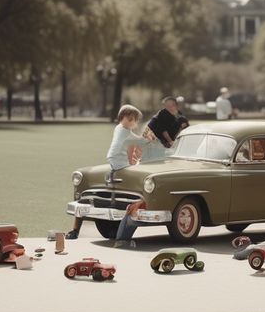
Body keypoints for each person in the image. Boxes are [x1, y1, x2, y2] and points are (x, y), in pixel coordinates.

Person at [66, 105, 144, 240]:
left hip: (112, 159)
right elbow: (131, 156)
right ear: (122, 118)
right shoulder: (128, 135)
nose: (132, 121)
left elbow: (131, 142)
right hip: (120, 163)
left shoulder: (119, 128)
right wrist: (136, 162)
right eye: (130, 119)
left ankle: (75, 230)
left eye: (134, 120)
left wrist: (138, 146)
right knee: (136, 169)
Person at [143, 97, 187, 161]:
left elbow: (181, 128)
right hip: (154, 140)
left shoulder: (179, 115)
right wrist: (171, 142)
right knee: (158, 159)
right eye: (167, 106)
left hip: (164, 142)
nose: (170, 107)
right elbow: (163, 130)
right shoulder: (161, 114)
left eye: (172, 105)